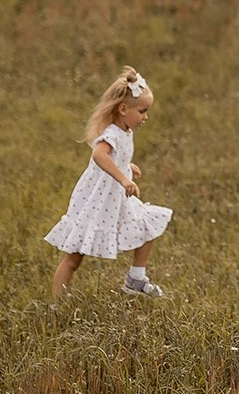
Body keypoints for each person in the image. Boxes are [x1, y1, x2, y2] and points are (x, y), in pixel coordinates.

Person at [46, 66, 173, 300]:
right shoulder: (112, 133)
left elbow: (115, 157)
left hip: (115, 199)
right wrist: (124, 178)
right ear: (123, 109)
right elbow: (99, 155)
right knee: (73, 257)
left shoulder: (126, 131)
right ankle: (56, 303)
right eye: (143, 111)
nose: (146, 117)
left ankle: (136, 278)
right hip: (96, 201)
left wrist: (127, 166)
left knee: (148, 226)